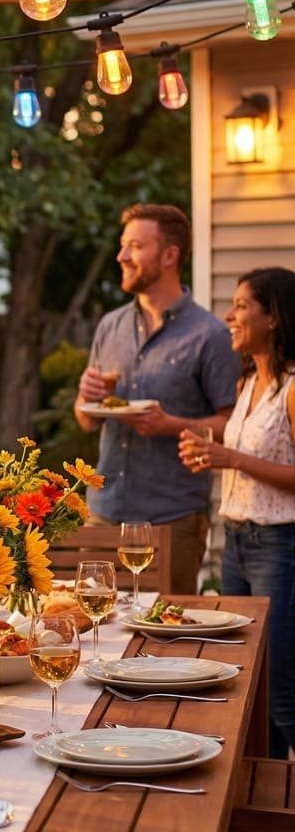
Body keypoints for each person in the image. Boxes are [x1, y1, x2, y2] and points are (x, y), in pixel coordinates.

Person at [74, 203, 238, 595]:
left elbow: (232, 425)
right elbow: (87, 418)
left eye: (134, 246)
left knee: (167, 639)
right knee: (94, 628)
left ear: (169, 255)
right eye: (122, 246)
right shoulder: (109, 326)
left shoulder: (211, 335)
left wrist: (171, 425)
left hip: (171, 517)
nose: (121, 256)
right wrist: (86, 399)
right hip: (103, 511)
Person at [179, 267, 295, 759]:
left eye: (242, 305)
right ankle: (263, 795)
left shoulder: (292, 387)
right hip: (237, 543)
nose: (229, 315)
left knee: (282, 681)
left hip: (280, 546)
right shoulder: (248, 381)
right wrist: (208, 452)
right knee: (247, 675)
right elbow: (247, 459)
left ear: (273, 318)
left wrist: (232, 458)